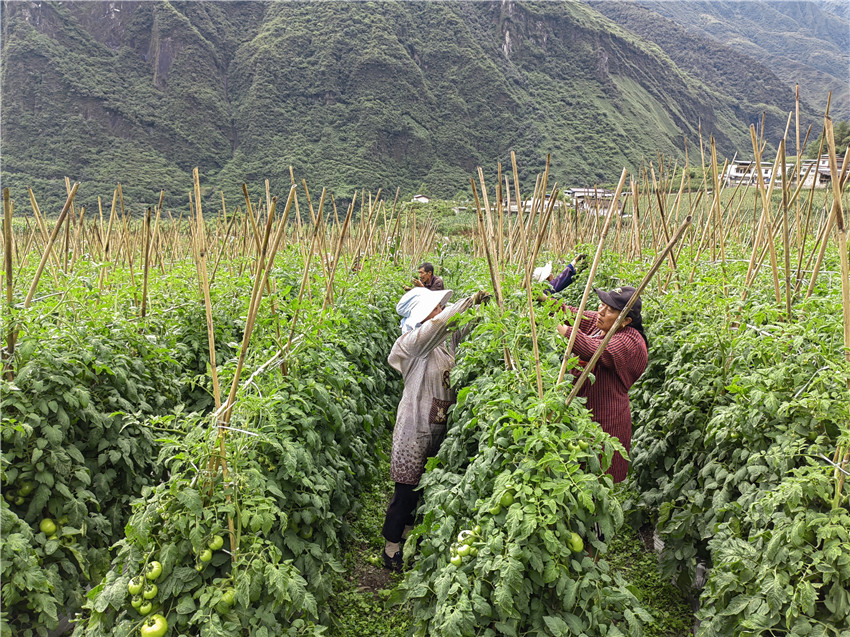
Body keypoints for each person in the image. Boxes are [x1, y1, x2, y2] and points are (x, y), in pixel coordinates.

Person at [381, 286, 488, 571]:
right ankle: (391, 545)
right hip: (414, 426)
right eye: (436, 308)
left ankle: (407, 534)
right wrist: (467, 302)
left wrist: (481, 309)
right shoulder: (412, 343)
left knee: (422, 487)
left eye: (441, 307)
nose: (441, 311)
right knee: (405, 490)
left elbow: (459, 329)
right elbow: (438, 326)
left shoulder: (442, 343)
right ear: (421, 315)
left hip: (438, 426)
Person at [556, 286, 648, 483]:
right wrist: (541, 298)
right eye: (602, 304)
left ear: (626, 320)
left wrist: (564, 331)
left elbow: (597, 350)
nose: (601, 311)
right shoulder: (601, 324)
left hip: (605, 419)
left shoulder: (631, 342)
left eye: (611, 310)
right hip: (582, 412)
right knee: (575, 473)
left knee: (597, 474)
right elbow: (571, 313)